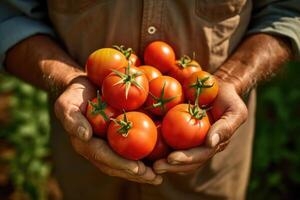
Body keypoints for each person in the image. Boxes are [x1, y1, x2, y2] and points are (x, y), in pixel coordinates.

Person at [0, 0, 299, 199]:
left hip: (209, 176)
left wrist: (233, 81)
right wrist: (71, 80)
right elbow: (8, 14)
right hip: (84, 167)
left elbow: (288, 10)